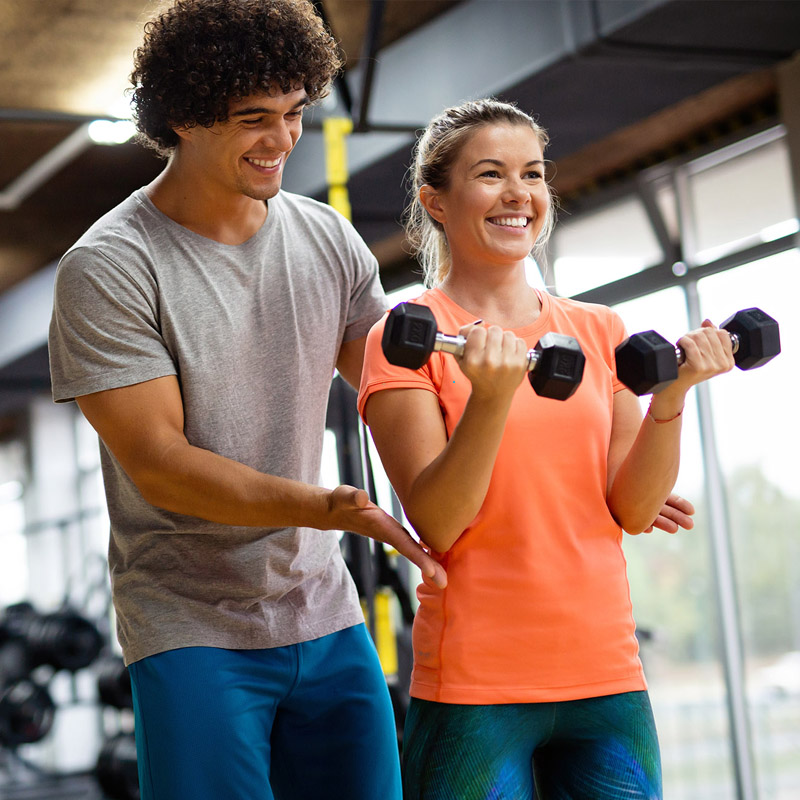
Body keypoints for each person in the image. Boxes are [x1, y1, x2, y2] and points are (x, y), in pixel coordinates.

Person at [47, 2, 446, 798]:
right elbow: (163, 466)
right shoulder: (110, 268)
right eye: (252, 119)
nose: (283, 140)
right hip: (190, 623)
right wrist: (324, 506)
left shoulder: (326, 239)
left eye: (296, 113)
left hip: (323, 608)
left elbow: (393, 384)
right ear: (184, 120)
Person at [357, 98, 733, 800]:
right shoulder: (408, 337)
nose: (518, 194)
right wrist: (491, 398)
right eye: (491, 174)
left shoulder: (598, 330)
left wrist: (673, 397)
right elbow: (437, 522)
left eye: (532, 173)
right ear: (435, 200)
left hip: (606, 674)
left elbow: (634, 504)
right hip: (476, 684)